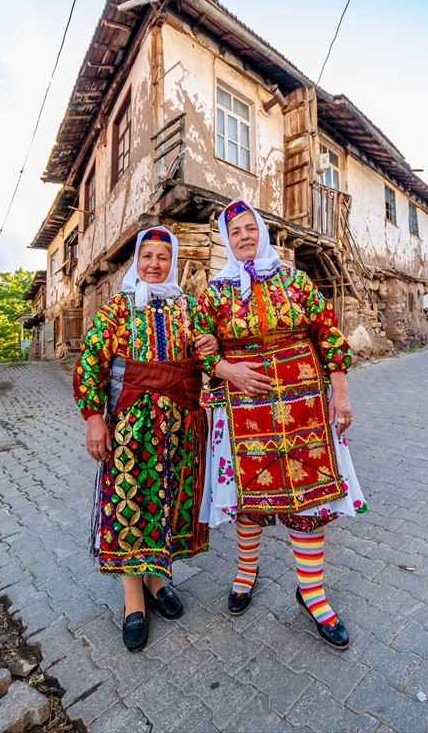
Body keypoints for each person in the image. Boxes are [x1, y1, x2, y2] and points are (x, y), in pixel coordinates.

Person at [196, 198, 368, 650]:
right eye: (235, 232)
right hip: (243, 408)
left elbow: (328, 334)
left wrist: (341, 391)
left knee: (306, 497)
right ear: (227, 241)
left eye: (250, 228)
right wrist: (226, 369)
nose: (245, 236)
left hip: (304, 404)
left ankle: (312, 593)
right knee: (248, 494)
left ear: (263, 231)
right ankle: (245, 573)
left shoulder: (296, 281)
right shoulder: (216, 292)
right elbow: (198, 343)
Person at [74, 226, 216, 652]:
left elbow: (211, 356)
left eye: (163, 257)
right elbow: (90, 366)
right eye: (147, 256)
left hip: (180, 429)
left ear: (172, 262)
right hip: (132, 430)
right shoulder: (117, 310)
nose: (155, 264)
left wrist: (211, 343)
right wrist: (93, 419)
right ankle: (133, 600)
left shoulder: (188, 308)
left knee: (167, 504)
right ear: (136, 261)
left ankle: (157, 580)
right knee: (131, 506)